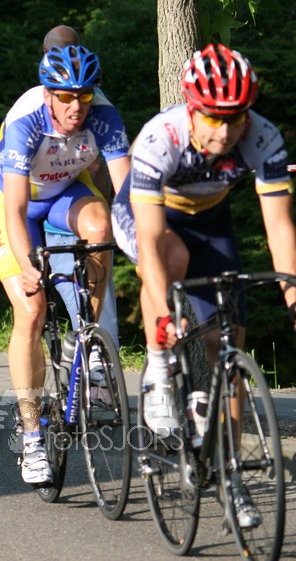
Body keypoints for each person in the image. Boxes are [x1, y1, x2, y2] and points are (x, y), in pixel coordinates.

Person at [111, 44, 295, 528]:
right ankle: (159, 369)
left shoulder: (263, 137)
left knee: (229, 344)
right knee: (171, 258)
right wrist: (165, 316)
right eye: (213, 118)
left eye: (235, 118)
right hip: (149, 217)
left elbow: (280, 228)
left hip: (211, 221)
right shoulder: (161, 138)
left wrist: (294, 297)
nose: (225, 132)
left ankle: (230, 475)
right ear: (192, 108)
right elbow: (150, 245)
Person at [0, 45, 130, 485]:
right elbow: (14, 211)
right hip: (15, 202)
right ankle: (32, 439)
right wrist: (26, 262)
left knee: (101, 225)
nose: (75, 106)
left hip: (65, 191)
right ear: (48, 94)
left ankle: (86, 336)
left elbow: (127, 194)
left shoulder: (104, 115)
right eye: (65, 96)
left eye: (84, 95)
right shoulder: (26, 121)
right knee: (31, 310)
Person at [41, 25, 120, 346]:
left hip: (73, 212)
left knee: (92, 313)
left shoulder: (92, 103)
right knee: (88, 312)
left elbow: (102, 168)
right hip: (52, 210)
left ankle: (91, 367)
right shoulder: (40, 102)